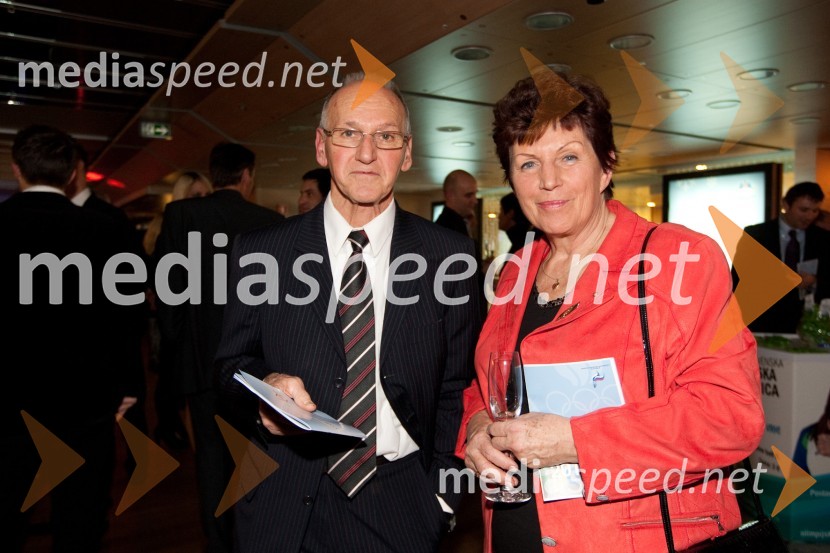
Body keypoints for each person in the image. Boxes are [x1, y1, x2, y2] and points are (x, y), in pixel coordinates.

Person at [457, 74, 764, 552]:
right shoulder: (514, 273)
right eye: (528, 163)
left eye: (569, 157)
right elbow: (486, 386)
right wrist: (478, 429)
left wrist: (576, 441)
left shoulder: (680, 260)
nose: (548, 181)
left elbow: (729, 417)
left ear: (607, 166)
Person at [215, 73, 482, 553]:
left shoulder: (451, 257)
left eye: (386, 137)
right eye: (349, 133)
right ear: (321, 146)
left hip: (402, 501)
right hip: (278, 494)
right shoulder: (262, 253)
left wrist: (444, 500)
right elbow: (227, 366)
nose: (366, 153)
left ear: (408, 152)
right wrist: (266, 390)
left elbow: (459, 389)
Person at [0, 125, 140, 552]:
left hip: (8, 394)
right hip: (86, 394)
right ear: (72, 173)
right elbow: (126, 314)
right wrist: (130, 384)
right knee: (80, 513)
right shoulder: (108, 231)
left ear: (16, 167)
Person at [154, 144, 283, 553]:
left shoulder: (181, 216)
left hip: (199, 361)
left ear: (213, 174)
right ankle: (253, 535)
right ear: (248, 175)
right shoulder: (267, 222)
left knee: (210, 458)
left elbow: (168, 292)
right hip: (255, 365)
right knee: (253, 454)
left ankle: (217, 542)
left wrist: (175, 350)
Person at [143, 171, 213, 450]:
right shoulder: (168, 228)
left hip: (197, 326)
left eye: (206, 195)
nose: (203, 201)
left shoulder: (211, 231)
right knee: (172, 384)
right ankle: (171, 429)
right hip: (175, 324)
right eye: (196, 195)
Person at [735, 181, 830, 333]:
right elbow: (738, 277)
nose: (810, 216)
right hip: (761, 322)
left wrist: (814, 281)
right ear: (786, 205)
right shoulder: (756, 234)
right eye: (804, 210)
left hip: (804, 323)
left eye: (815, 211)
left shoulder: (823, 239)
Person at [436, 169, 478, 237]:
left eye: (475, 194)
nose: (475, 201)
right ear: (450, 196)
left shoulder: (462, 223)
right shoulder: (446, 229)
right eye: (468, 195)